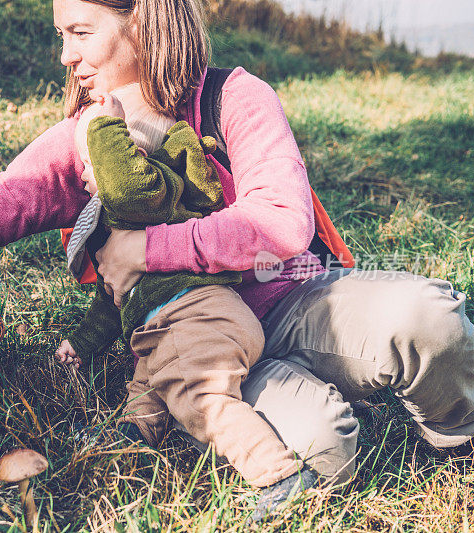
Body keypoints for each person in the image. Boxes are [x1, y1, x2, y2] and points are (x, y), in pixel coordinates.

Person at [0, 0, 474, 520]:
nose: (64, 56)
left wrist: (147, 249)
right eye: (59, 36)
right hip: (203, 341)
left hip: (298, 302)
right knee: (324, 447)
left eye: (79, 33)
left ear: (143, 22)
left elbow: (283, 222)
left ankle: (455, 441)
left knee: (430, 318)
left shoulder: (233, 97)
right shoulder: (84, 140)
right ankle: (333, 405)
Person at [57, 86, 314, 493]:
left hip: (192, 316)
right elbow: (112, 300)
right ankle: (131, 438)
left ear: (132, 158)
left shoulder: (149, 198)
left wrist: (107, 127)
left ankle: (279, 475)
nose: (84, 173)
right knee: (148, 382)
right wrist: (82, 343)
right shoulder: (125, 224)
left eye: (91, 160)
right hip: (191, 319)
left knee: (200, 400)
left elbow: (124, 186)